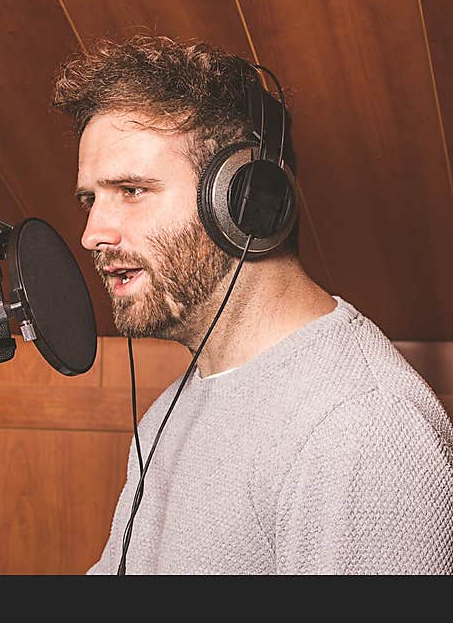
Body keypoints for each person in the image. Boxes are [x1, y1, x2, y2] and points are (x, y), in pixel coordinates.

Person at [52, 36, 453, 574]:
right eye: (89, 199)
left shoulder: (358, 428)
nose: (92, 234)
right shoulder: (175, 408)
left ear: (244, 199)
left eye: (132, 190)